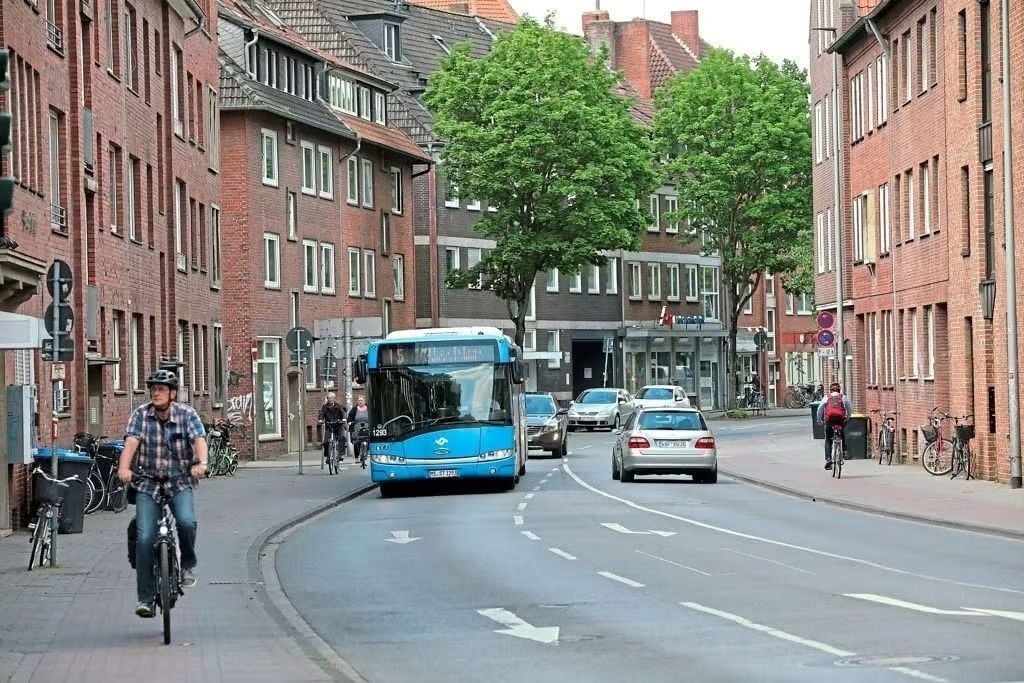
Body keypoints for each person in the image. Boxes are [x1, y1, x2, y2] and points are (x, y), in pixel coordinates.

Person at [117, 369, 208, 619]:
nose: (156, 393)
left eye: (161, 389)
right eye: (153, 389)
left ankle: (187, 565)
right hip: (148, 483)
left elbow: (199, 440)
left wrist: (202, 463)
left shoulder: (187, 414)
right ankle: (145, 599)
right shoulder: (140, 415)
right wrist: (124, 468)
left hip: (179, 481)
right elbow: (131, 444)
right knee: (145, 538)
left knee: (187, 521)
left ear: (172, 394)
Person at [816, 381, 853, 470]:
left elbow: (820, 409)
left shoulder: (826, 397)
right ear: (839, 390)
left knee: (828, 439)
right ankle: (844, 450)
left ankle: (828, 459)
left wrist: (819, 419)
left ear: (830, 390)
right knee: (842, 434)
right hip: (840, 420)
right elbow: (849, 408)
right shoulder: (843, 397)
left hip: (829, 421)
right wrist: (848, 417)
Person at [318, 393, 348, 465]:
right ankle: (328, 456)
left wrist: (343, 419)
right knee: (326, 442)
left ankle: (340, 454)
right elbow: (321, 414)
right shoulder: (324, 407)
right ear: (327, 399)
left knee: (341, 437)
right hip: (329, 426)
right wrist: (321, 420)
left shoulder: (339, 406)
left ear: (334, 398)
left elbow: (343, 412)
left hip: (338, 425)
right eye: (328, 398)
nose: (330, 399)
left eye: (331, 398)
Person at [348, 394, 371, 460]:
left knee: (368, 438)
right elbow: (350, 416)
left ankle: (366, 452)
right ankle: (357, 456)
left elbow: (373, 416)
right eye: (359, 400)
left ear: (364, 401)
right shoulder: (354, 409)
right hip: (357, 425)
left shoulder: (368, 408)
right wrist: (349, 422)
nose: (360, 402)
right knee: (356, 440)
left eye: (361, 400)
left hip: (367, 425)